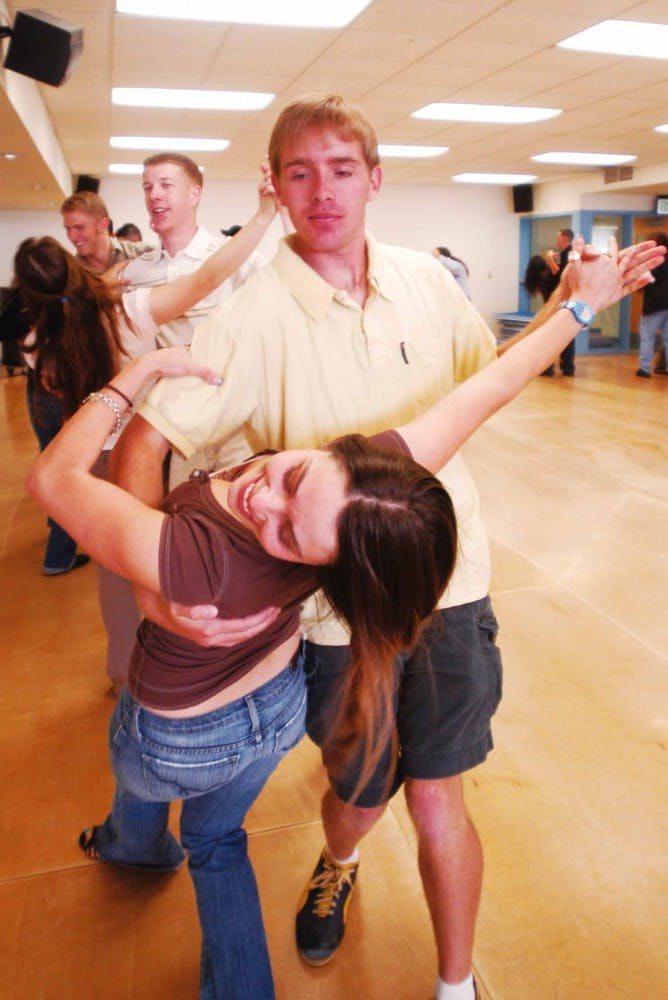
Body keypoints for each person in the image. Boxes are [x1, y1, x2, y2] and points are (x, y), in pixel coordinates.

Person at [109, 95, 662, 1000]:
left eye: (340, 169)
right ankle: (340, 857)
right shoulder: (247, 319)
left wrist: (567, 305)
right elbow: (143, 442)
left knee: (440, 787)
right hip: (333, 621)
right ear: (277, 190)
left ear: (374, 177)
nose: (322, 191)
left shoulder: (425, 280)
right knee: (363, 791)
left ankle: (455, 987)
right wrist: (152, 584)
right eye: (298, 172)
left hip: (453, 590)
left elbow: (481, 386)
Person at [16, 177, 276, 684]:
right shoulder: (128, 312)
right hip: (137, 455)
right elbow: (207, 277)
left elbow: (54, 372)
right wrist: (263, 216)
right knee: (163, 555)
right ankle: (179, 663)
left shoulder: (34, 343)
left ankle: (123, 672)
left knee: (117, 569)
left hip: (89, 459)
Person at [60, 190, 152, 273]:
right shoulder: (71, 276)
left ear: (102, 225)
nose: (72, 237)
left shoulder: (145, 254)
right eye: (68, 229)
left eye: (79, 228)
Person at [544, 227, 576, 375]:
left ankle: (557, 366)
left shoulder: (569, 254)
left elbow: (561, 276)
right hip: (566, 299)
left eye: (558, 238)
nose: (556, 241)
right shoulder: (567, 254)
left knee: (556, 333)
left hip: (563, 300)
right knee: (566, 334)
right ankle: (567, 366)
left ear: (565, 239)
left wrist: (550, 260)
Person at [636, 232, 668, 378]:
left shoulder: (655, 261)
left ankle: (645, 368)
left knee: (647, 337)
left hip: (655, 304)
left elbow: (645, 279)